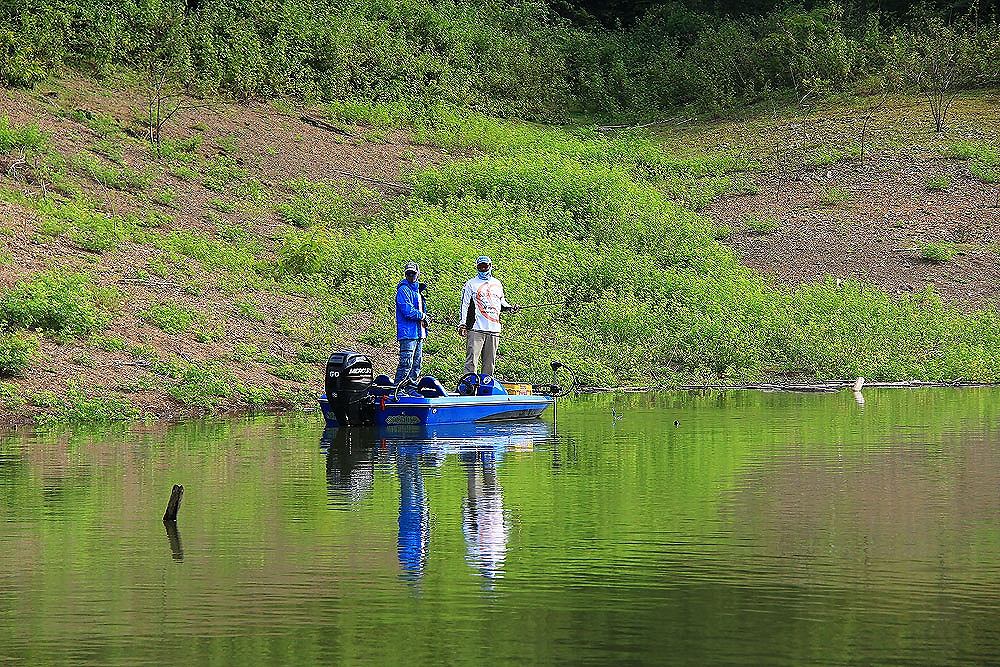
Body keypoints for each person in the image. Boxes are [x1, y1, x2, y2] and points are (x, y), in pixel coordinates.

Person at [457, 256, 518, 377]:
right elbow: (464, 304)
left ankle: (485, 389)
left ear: (490, 266)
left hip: (494, 329)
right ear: (477, 267)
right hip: (476, 328)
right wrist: (462, 323)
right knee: (471, 361)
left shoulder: (497, 283)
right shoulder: (471, 284)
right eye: (480, 267)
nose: (483, 269)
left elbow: (501, 302)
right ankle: (469, 387)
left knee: (490, 363)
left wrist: (511, 308)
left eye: (485, 266)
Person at [394, 261, 428, 385]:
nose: (411, 275)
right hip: (407, 333)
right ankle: (398, 388)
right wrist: (423, 316)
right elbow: (407, 310)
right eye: (408, 273)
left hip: (419, 333)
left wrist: (424, 319)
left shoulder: (418, 291)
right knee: (406, 363)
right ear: (405, 274)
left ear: (418, 273)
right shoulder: (403, 290)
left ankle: (410, 387)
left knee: (416, 363)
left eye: (413, 273)